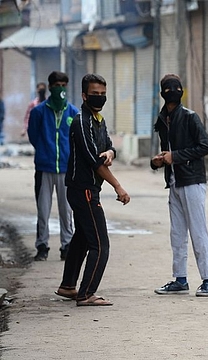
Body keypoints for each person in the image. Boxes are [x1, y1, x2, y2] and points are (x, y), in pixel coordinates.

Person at [55, 73, 130, 306]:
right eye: (95, 94)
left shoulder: (98, 120)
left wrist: (110, 152)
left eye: (103, 94)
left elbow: (107, 147)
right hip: (83, 189)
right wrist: (118, 186)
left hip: (87, 189)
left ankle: (68, 286)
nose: (99, 98)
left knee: (83, 238)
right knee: (100, 244)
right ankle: (86, 294)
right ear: (84, 96)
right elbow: (94, 163)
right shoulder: (81, 122)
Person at [151, 74, 208, 297]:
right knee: (177, 234)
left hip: (192, 181)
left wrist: (176, 156)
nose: (173, 92)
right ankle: (180, 279)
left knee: (198, 232)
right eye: (169, 89)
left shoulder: (190, 117)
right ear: (162, 93)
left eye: (176, 88)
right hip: (174, 182)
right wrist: (159, 161)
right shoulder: (162, 120)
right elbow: (167, 150)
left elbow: (204, 147)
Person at [27, 71, 79, 261]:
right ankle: (42, 246)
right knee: (43, 210)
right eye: (57, 85)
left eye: (64, 84)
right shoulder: (38, 112)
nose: (60, 88)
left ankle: (67, 246)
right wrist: (44, 152)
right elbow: (33, 136)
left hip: (66, 169)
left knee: (67, 210)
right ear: (50, 87)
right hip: (44, 167)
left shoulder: (73, 112)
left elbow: (75, 140)